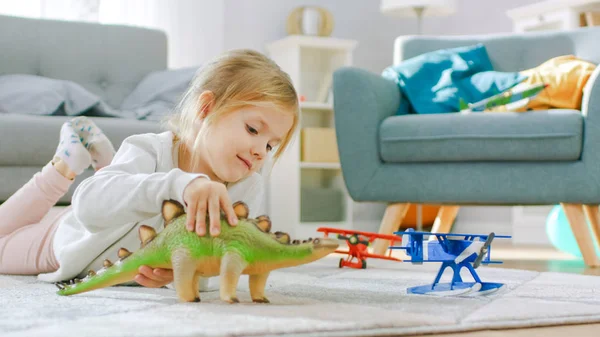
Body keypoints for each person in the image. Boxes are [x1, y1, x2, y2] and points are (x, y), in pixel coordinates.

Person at [0, 49, 299, 290]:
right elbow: (87, 205)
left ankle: (107, 163)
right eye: (252, 129)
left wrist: (181, 274)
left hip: (118, 222)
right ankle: (64, 165)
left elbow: (220, 262)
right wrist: (177, 184)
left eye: (272, 145)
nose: (261, 151)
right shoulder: (150, 149)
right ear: (206, 109)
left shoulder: (248, 189)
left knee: (120, 183)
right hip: (71, 240)